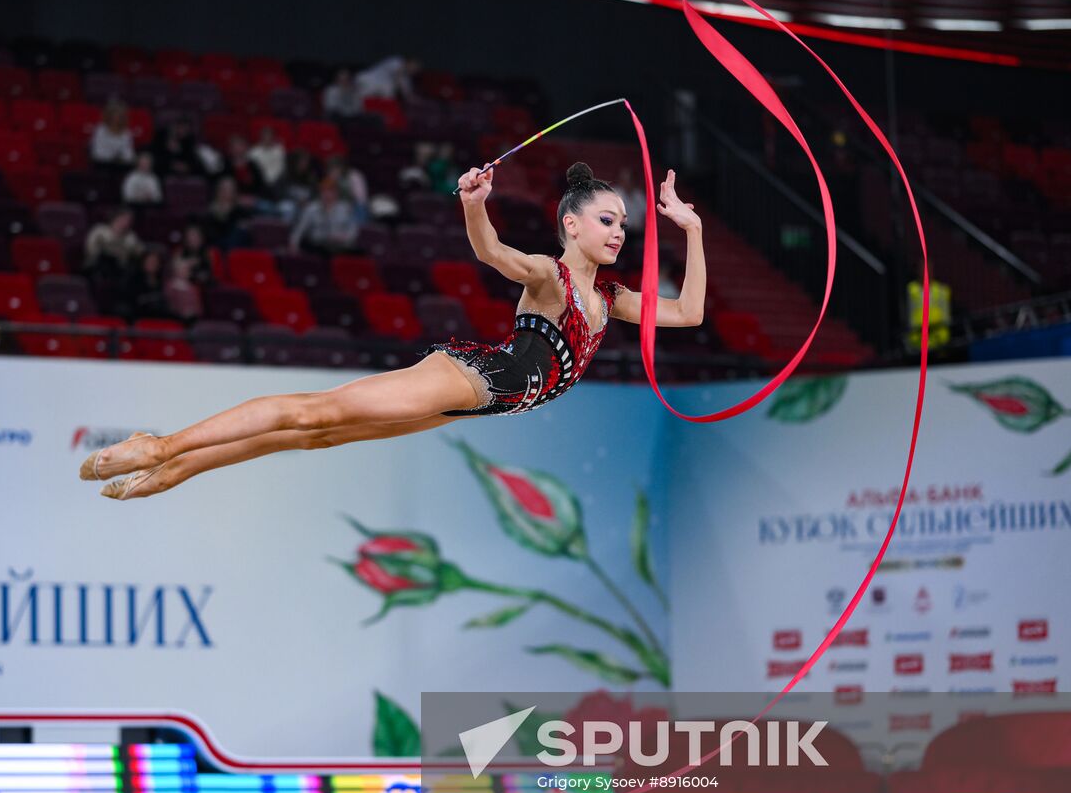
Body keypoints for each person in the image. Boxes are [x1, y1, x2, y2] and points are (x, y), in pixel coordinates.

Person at [80, 161, 707, 499]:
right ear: (571, 226)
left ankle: (180, 468)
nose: (619, 231)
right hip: (478, 377)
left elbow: (690, 313)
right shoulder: (551, 276)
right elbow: (492, 253)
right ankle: (162, 446)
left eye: (623, 222)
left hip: (483, 406)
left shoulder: (611, 298)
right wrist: (473, 204)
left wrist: (693, 230)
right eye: (606, 219)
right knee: (313, 413)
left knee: (317, 438)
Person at [288, 180, 359, 256]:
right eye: (324, 191)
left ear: (336, 193)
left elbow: (353, 230)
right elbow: (299, 230)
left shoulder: (345, 209)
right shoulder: (311, 209)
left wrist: (344, 238)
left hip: (339, 246)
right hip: (318, 246)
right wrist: (293, 245)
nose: (326, 194)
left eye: (330, 191)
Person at [90, 99, 136, 170]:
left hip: (120, 167)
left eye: (119, 116)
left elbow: (128, 154)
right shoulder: (100, 130)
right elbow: (98, 152)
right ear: (109, 115)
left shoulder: (126, 133)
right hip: (101, 166)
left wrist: (120, 158)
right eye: (114, 115)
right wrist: (114, 157)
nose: (116, 118)